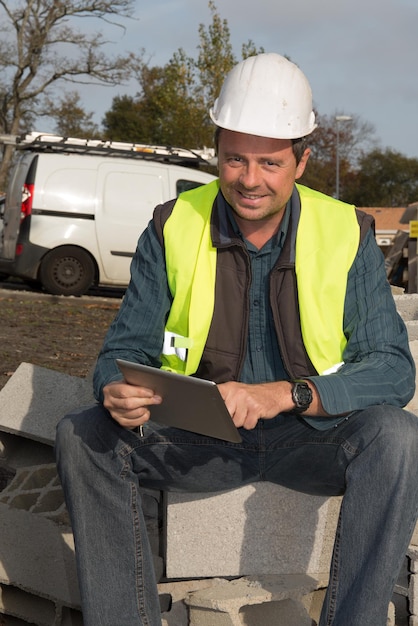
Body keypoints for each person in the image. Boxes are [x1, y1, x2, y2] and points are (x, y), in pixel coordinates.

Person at [55, 53, 418, 626]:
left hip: (313, 441)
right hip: (201, 442)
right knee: (82, 434)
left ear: (302, 161)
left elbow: (393, 370)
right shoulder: (173, 224)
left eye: (270, 163)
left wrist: (284, 394)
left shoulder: (346, 232)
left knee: (398, 437)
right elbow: (120, 354)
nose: (250, 180)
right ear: (217, 153)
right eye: (234, 160)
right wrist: (116, 391)